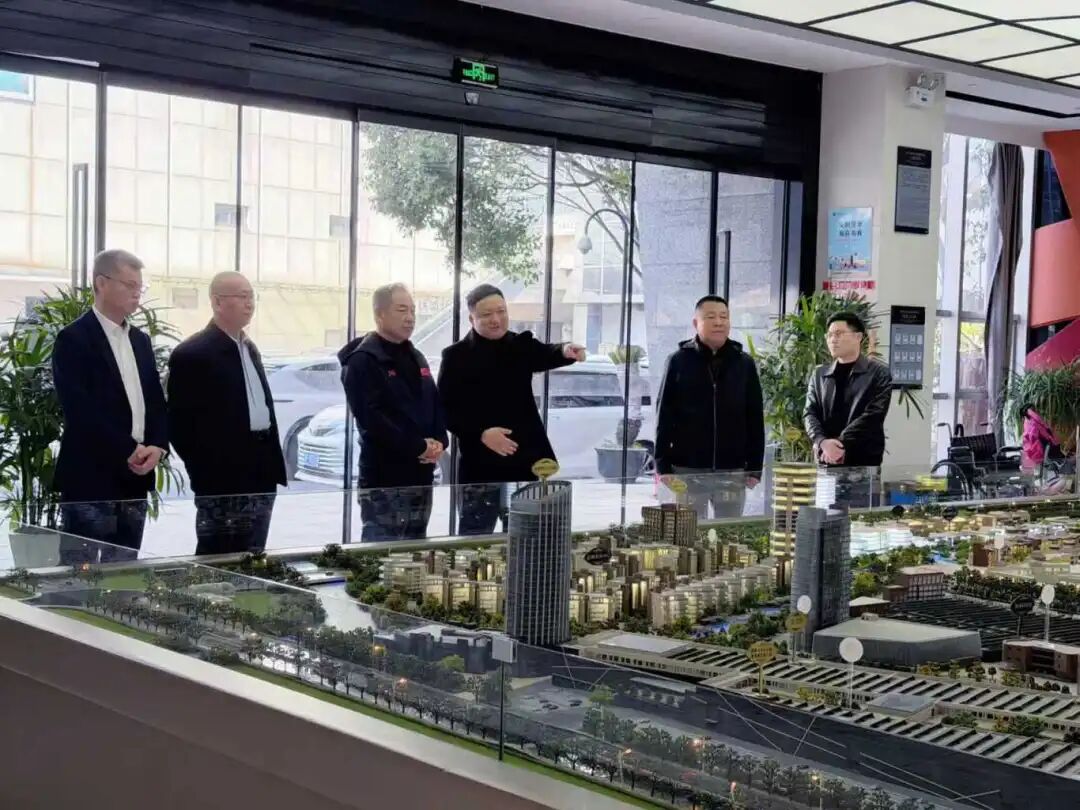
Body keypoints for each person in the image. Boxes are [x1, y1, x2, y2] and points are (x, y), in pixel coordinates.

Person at [439, 284, 585, 535]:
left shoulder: (519, 345)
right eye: (487, 314)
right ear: (471, 318)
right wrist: (481, 434)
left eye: (501, 311)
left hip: (523, 459)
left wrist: (565, 350)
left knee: (526, 534)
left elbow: (546, 352)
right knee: (476, 535)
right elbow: (446, 410)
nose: (496, 319)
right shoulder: (456, 356)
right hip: (479, 463)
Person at [52, 249, 168, 562]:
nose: (137, 293)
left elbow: (155, 400)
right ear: (101, 283)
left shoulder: (140, 340)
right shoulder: (73, 339)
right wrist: (127, 449)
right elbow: (81, 410)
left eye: (140, 286)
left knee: (125, 571)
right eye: (129, 285)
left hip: (136, 475)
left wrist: (157, 446)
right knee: (80, 573)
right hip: (91, 476)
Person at [167, 272, 286, 556]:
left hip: (261, 469)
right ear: (217, 302)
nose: (249, 303)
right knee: (219, 554)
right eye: (242, 296)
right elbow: (180, 425)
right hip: (221, 477)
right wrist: (206, 470)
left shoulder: (248, 347)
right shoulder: (192, 353)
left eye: (251, 296)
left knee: (253, 552)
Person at [339, 283, 447, 541]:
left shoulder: (416, 356)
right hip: (384, 478)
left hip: (420, 473)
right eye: (402, 310)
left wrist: (439, 441)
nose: (410, 317)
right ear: (380, 314)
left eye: (413, 311)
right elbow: (372, 419)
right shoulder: (362, 360)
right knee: (382, 551)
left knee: (415, 549)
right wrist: (418, 446)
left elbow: (433, 402)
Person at [654, 295, 764, 519]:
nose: (719, 322)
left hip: (732, 469)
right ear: (696, 323)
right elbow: (664, 415)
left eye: (724, 317)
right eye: (711, 317)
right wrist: (662, 465)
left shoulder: (744, 363)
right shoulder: (678, 361)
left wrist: (755, 467)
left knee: (730, 531)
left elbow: (754, 417)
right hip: (687, 468)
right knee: (688, 530)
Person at [804, 311, 893, 474]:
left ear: (858, 337)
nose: (833, 339)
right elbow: (810, 413)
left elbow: (873, 415)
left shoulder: (879, 373)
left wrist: (839, 444)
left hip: (863, 462)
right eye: (829, 335)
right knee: (826, 492)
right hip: (825, 460)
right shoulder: (819, 374)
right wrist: (822, 442)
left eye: (838, 334)